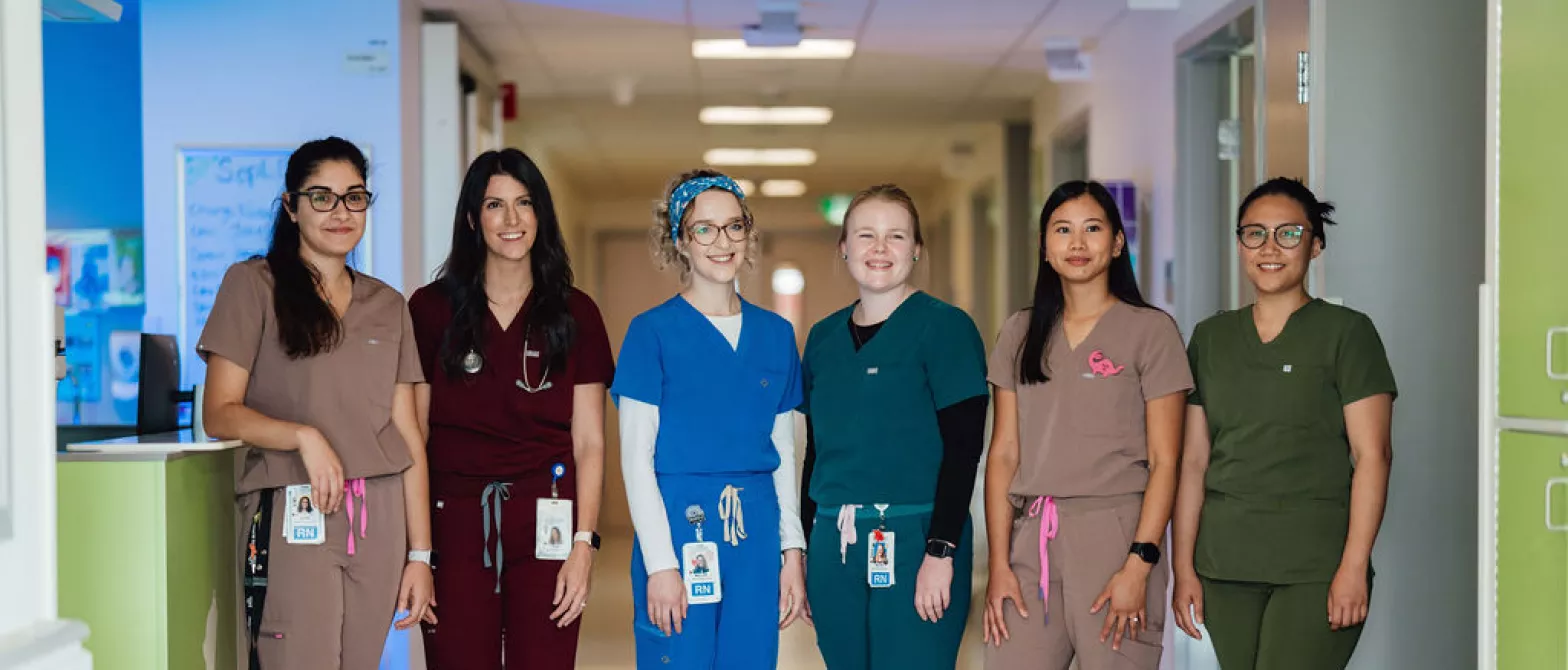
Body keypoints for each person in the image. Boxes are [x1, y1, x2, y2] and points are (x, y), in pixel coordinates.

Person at [199, 136, 435, 669]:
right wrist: (304, 436)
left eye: (354, 197)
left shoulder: (387, 305)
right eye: (321, 197)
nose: (340, 212)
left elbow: (408, 434)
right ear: (291, 205)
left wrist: (420, 555)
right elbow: (219, 411)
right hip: (292, 507)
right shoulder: (252, 285)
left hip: (379, 517)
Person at [1170, 178, 1396, 669]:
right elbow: (1192, 462)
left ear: (1315, 246)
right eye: (1255, 234)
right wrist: (1182, 568)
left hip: (1316, 565)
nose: (1269, 247)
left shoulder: (1348, 334)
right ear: (1240, 243)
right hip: (1225, 564)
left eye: (1288, 234)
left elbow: (1373, 456)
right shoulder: (1210, 338)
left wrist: (1354, 565)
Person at [408, 149, 612, 670]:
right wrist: (418, 553)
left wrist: (583, 545)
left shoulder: (575, 313)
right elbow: (417, 437)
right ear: (473, 219)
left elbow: (589, 442)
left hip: (548, 522)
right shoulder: (431, 310)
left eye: (524, 203)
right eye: (495, 205)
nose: (512, 219)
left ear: (541, 214)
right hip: (454, 525)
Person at [982, 180, 1191, 670]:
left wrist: (1140, 564)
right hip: (1032, 540)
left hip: (1118, 537)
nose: (1077, 244)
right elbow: (1004, 454)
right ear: (1045, 246)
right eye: (1063, 230)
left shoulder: (1151, 331)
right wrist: (999, 565)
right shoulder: (1019, 331)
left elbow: (1166, 461)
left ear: (1118, 242)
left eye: (1092, 229)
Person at [611, 168, 808, 669]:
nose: (722, 242)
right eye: (705, 229)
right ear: (680, 240)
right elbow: (637, 460)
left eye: (734, 227)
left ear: (748, 232)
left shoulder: (775, 334)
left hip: (757, 532)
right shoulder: (651, 334)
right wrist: (660, 563)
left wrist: (792, 552)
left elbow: (784, 455)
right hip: (681, 526)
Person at [797, 184, 988, 669]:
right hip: (832, 545)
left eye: (896, 236)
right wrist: (799, 552)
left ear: (916, 249)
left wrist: (941, 551)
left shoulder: (946, 329)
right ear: (844, 247)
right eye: (866, 235)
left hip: (918, 540)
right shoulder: (821, 339)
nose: (880, 248)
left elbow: (964, 450)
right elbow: (816, 454)